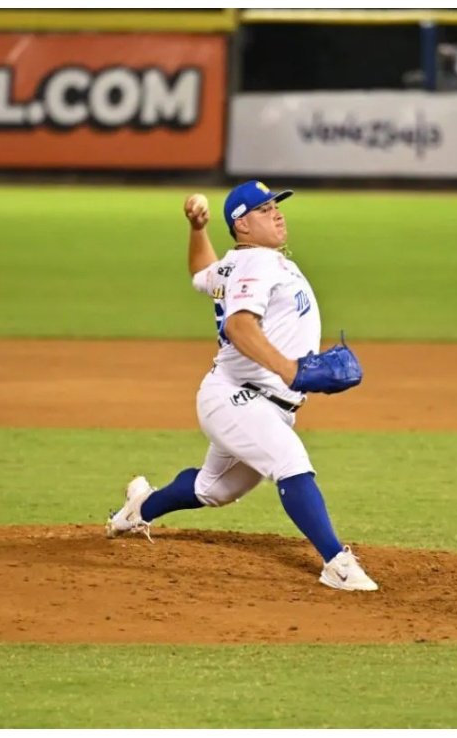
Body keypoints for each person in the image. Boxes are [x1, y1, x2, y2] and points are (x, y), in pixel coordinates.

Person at [104, 181, 378, 592]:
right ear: (243, 224)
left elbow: (200, 272)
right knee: (290, 460)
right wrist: (290, 370)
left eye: (275, 206)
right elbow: (238, 325)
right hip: (236, 396)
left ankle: (138, 507)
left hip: (255, 400)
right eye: (266, 209)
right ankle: (336, 563)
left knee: (211, 489)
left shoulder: (239, 263)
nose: (278, 213)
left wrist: (198, 230)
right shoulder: (257, 266)